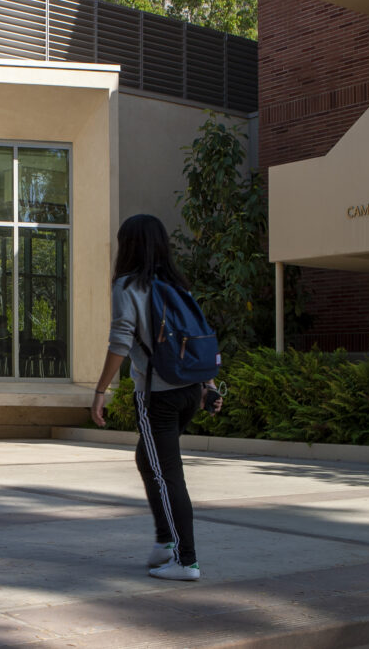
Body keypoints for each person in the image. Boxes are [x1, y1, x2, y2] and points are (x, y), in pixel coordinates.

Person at [90, 214, 223, 582]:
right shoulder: (177, 286)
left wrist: (100, 391)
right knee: (148, 460)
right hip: (189, 390)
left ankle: (185, 559)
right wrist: (209, 386)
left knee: (167, 475)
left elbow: (120, 341)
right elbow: (198, 340)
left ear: (128, 246)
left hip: (157, 397)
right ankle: (165, 542)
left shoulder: (128, 286)